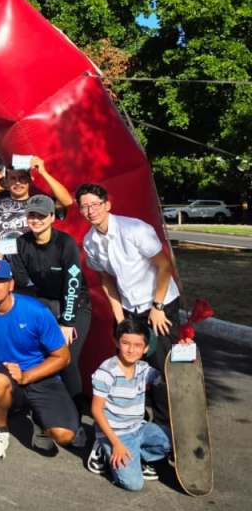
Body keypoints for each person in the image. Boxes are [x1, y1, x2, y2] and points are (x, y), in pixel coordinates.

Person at [77, 182, 180, 427]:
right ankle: (135, 421)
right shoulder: (90, 241)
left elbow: (165, 266)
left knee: (161, 368)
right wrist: (120, 318)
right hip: (129, 308)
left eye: (95, 204)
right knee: (128, 367)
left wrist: (157, 307)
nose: (91, 210)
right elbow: (106, 280)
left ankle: (166, 427)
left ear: (107, 205)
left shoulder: (134, 229)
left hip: (159, 304)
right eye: (84, 206)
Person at [0, 259, 79, 459]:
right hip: (4, 375)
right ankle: (0, 431)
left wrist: (26, 376)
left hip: (39, 374)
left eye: (0, 281)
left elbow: (63, 357)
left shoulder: (36, 311)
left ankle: (39, 419)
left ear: (11, 284)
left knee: (64, 435)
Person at [8, 194, 91, 419]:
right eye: (32, 215)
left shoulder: (66, 243)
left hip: (75, 303)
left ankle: (76, 414)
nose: (36, 220)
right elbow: (23, 283)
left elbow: (73, 284)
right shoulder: (20, 243)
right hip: (44, 304)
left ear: (52, 217)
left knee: (66, 358)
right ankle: (44, 409)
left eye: (42, 216)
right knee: (41, 357)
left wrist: (67, 322)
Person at [88, 318, 173, 490]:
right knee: (134, 484)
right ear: (116, 343)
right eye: (126, 343)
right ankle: (103, 450)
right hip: (116, 434)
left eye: (138, 345)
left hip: (138, 428)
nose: (131, 350)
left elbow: (167, 377)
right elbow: (96, 410)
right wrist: (117, 444)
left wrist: (184, 351)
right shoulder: (107, 371)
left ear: (146, 348)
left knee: (173, 441)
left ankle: (136, 455)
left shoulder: (144, 369)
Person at [0, 155, 72, 251]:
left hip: (37, 257)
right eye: (13, 178)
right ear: (6, 182)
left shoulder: (41, 202)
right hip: (7, 259)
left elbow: (67, 201)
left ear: (30, 179)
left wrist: (44, 173)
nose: (18, 183)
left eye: (22, 178)